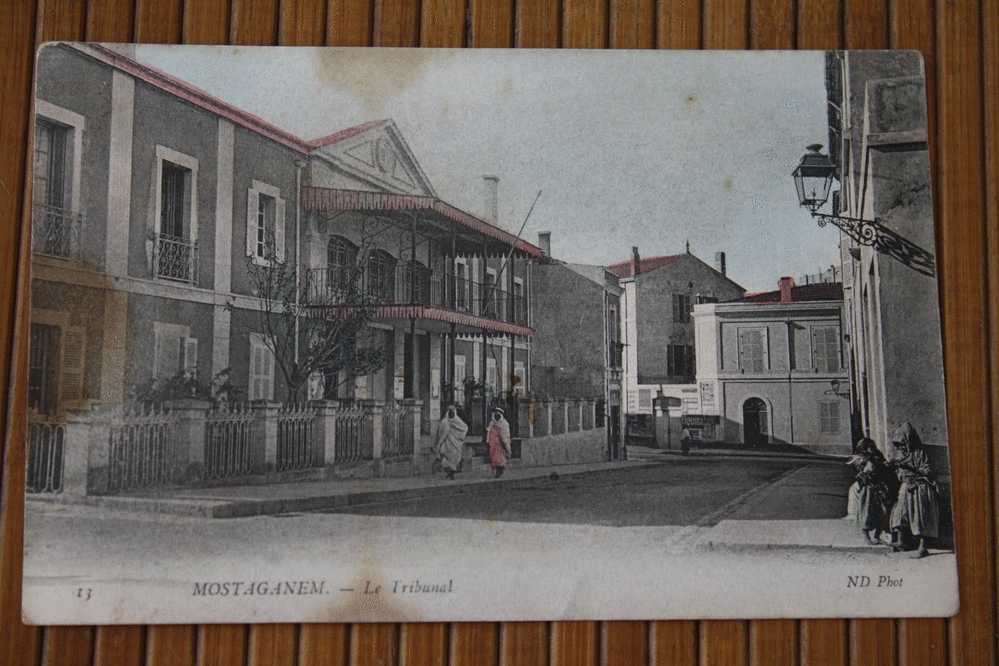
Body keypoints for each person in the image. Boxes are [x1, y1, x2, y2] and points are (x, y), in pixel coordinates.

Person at [888, 422, 940, 558]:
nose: (901, 447)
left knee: (920, 516)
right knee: (900, 514)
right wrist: (896, 468)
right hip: (906, 486)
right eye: (898, 444)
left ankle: (923, 547)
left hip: (920, 487)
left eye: (903, 443)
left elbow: (927, 471)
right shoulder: (900, 454)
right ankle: (901, 541)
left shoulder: (919, 453)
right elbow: (900, 474)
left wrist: (909, 467)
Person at [846, 438, 894, 546]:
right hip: (867, 491)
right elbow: (859, 475)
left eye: (872, 447)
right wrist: (865, 472)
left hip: (880, 489)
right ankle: (866, 536)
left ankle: (877, 535)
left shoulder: (877, 456)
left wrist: (885, 466)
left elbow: (883, 467)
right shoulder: (860, 459)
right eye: (868, 447)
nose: (871, 449)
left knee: (883, 512)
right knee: (866, 513)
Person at [435, 404, 468, 480]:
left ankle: (451, 473)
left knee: (454, 459)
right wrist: (440, 442)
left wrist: (458, 437)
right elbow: (440, 432)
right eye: (450, 412)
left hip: (455, 444)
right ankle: (450, 473)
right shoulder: (444, 422)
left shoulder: (457, 421)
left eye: (452, 412)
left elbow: (464, 428)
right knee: (446, 460)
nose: (451, 413)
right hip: (447, 444)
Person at [487, 406, 512, 478]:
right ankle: (497, 470)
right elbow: (489, 433)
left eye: (498, 415)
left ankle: (500, 470)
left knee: (500, 459)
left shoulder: (504, 424)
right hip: (493, 444)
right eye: (495, 414)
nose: (496, 416)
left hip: (500, 444)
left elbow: (505, 435)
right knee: (494, 458)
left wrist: (505, 444)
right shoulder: (492, 423)